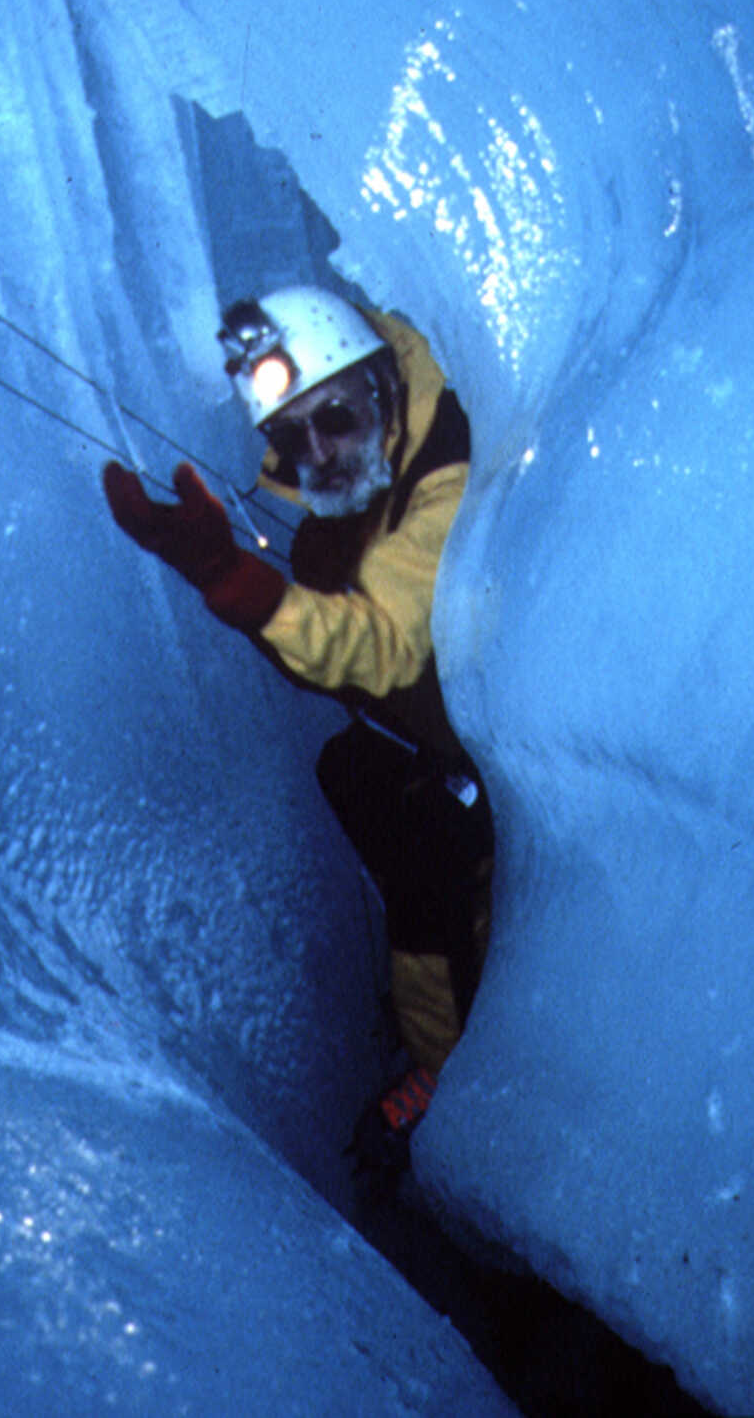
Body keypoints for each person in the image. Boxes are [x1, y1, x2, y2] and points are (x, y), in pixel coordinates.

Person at [103, 286, 493, 1189]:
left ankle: (455, 1069)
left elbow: (384, 642)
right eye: (291, 434)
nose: (316, 453)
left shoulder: (443, 477)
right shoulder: (377, 452)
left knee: (426, 855)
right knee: (353, 773)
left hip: (488, 737)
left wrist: (235, 582)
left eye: (336, 420)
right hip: (440, 718)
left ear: (381, 386)